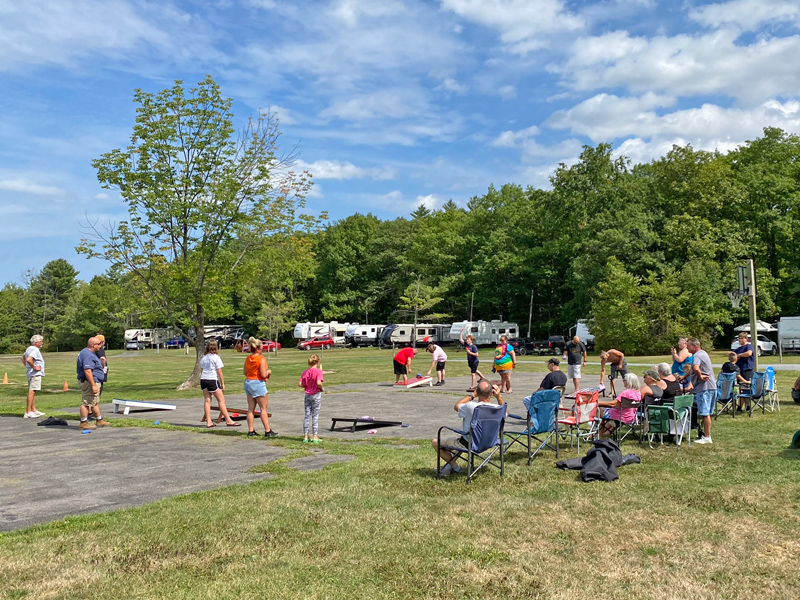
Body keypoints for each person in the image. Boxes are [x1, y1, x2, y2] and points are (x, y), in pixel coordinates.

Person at [431, 379, 505, 477]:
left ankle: (455, 467)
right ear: (492, 393)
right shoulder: (497, 409)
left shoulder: (471, 406)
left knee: (435, 442)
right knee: (461, 437)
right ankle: (448, 467)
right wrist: (499, 397)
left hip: (470, 443)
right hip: (490, 442)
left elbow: (457, 406)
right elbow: (505, 411)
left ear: (478, 392)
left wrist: (472, 395)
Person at [200, 340, 239, 428]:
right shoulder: (216, 357)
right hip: (212, 380)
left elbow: (201, 370)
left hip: (203, 379)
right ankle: (228, 420)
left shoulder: (204, 357)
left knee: (207, 400)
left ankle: (209, 421)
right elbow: (219, 371)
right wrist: (223, 383)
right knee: (221, 400)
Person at [243, 337, 276, 438]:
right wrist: (269, 372)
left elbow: (245, 372)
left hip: (248, 382)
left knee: (250, 408)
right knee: (263, 408)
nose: (262, 349)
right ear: (257, 349)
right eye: (261, 348)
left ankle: (251, 430)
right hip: (258, 383)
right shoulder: (261, 359)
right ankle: (267, 430)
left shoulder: (248, 358)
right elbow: (263, 374)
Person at [687, 337, 716, 445]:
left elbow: (695, 368)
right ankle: (706, 434)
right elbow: (692, 370)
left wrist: (700, 377)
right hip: (712, 387)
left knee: (705, 413)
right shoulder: (704, 353)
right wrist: (685, 376)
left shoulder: (697, 355)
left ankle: (707, 437)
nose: (687, 347)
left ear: (694, 346)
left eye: (688, 346)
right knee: (707, 413)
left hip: (704, 388)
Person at [77, 337, 110, 429]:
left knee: (94, 402)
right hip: (89, 381)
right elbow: (88, 371)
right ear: (94, 345)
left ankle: (99, 420)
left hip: (95, 380)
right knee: (87, 402)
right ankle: (83, 422)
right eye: (99, 344)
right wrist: (93, 385)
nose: (101, 346)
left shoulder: (90, 353)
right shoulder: (87, 354)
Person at [598, 373, 641, 438]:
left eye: (624, 380)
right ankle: (605, 431)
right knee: (607, 411)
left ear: (628, 381)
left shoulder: (626, 392)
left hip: (620, 416)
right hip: (630, 417)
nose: (623, 381)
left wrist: (598, 403)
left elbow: (613, 404)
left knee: (599, 409)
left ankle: (597, 434)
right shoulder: (638, 393)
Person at [299, 354, 324, 443]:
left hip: (307, 395)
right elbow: (319, 382)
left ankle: (306, 436)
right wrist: (321, 388)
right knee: (315, 416)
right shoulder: (318, 372)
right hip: (316, 395)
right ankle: (315, 436)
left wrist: (306, 386)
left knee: (307, 415)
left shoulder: (305, 372)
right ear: (317, 362)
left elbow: (300, 384)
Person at [22, 334, 45, 418]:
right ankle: (28, 412)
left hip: (30, 373)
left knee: (33, 391)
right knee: (32, 391)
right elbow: (29, 359)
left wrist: (27, 367)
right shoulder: (35, 350)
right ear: (36, 342)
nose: (42, 343)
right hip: (35, 373)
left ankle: (33, 410)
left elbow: (23, 358)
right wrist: (34, 367)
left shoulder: (29, 348)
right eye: (41, 341)